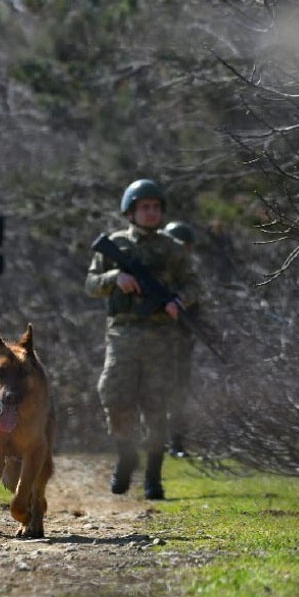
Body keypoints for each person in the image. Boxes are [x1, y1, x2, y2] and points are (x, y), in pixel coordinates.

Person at [85, 178, 199, 500]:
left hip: (162, 335)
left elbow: (194, 284)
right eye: (144, 207)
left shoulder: (173, 249)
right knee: (114, 395)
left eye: (155, 208)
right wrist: (115, 278)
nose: (151, 213)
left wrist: (180, 301)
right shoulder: (115, 244)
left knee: (156, 405)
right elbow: (91, 284)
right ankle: (126, 454)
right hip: (123, 333)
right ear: (131, 211)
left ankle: (153, 477)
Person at [161, 220, 199, 458]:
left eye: (185, 246)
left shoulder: (189, 276)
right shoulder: (159, 274)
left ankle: (176, 442)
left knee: (179, 393)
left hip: (181, 342)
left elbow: (197, 303)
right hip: (155, 341)